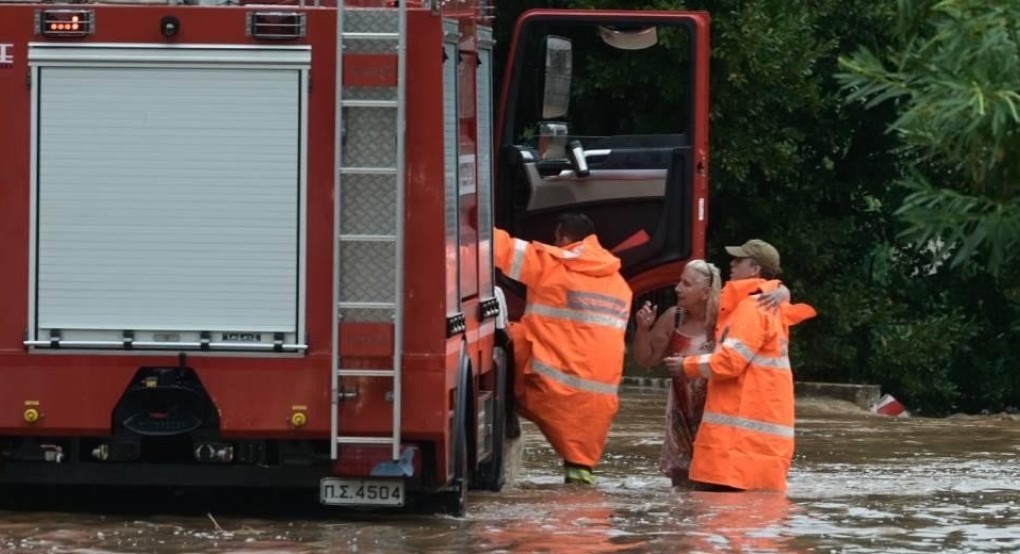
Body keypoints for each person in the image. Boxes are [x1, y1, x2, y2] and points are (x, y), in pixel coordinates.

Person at [665, 239, 816, 492]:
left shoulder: (752, 307)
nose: (731, 265)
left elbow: (729, 363)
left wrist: (685, 366)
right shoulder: (767, 305)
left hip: (733, 455)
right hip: (757, 455)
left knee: (714, 524)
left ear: (755, 268)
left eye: (738, 260)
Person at [494, 213, 632, 485]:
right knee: (579, 467)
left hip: (552, 386)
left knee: (509, 335)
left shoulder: (553, 265)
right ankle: (578, 480)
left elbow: (501, 248)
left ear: (564, 238)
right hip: (599, 400)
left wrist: (465, 221)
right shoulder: (620, 285)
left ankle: (507, 413)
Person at [633, 259, 721, 487]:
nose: (677, 288)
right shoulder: (675, 317)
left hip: (714, 413)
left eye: (686, 284)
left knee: (712, 478)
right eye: (680, 282)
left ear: (705, 292)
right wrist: (643, 329)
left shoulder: (722, 321)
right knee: (681, 481)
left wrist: (781, 292)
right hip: (679, 412)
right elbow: (645, 359)